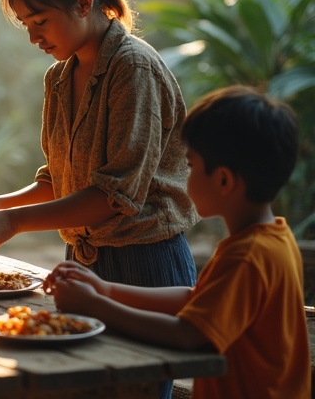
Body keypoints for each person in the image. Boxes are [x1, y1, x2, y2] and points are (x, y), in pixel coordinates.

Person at [0, 0, 198, 289]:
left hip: (145, 261)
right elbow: (58, 182)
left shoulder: (133, 68)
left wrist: (13, 222)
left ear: (83, 3)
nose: (33, 37)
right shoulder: (59, 78)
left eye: (41, 21)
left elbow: (114, 196)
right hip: (82, 260)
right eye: (26, 24)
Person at [45, 85, 311, 398]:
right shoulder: (274, 238)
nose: (185, 175)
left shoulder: (248, 255)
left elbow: (190, 334)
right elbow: (196, 299)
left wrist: (96, 306)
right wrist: (105, 289)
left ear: (223, 180)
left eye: (191, 165)